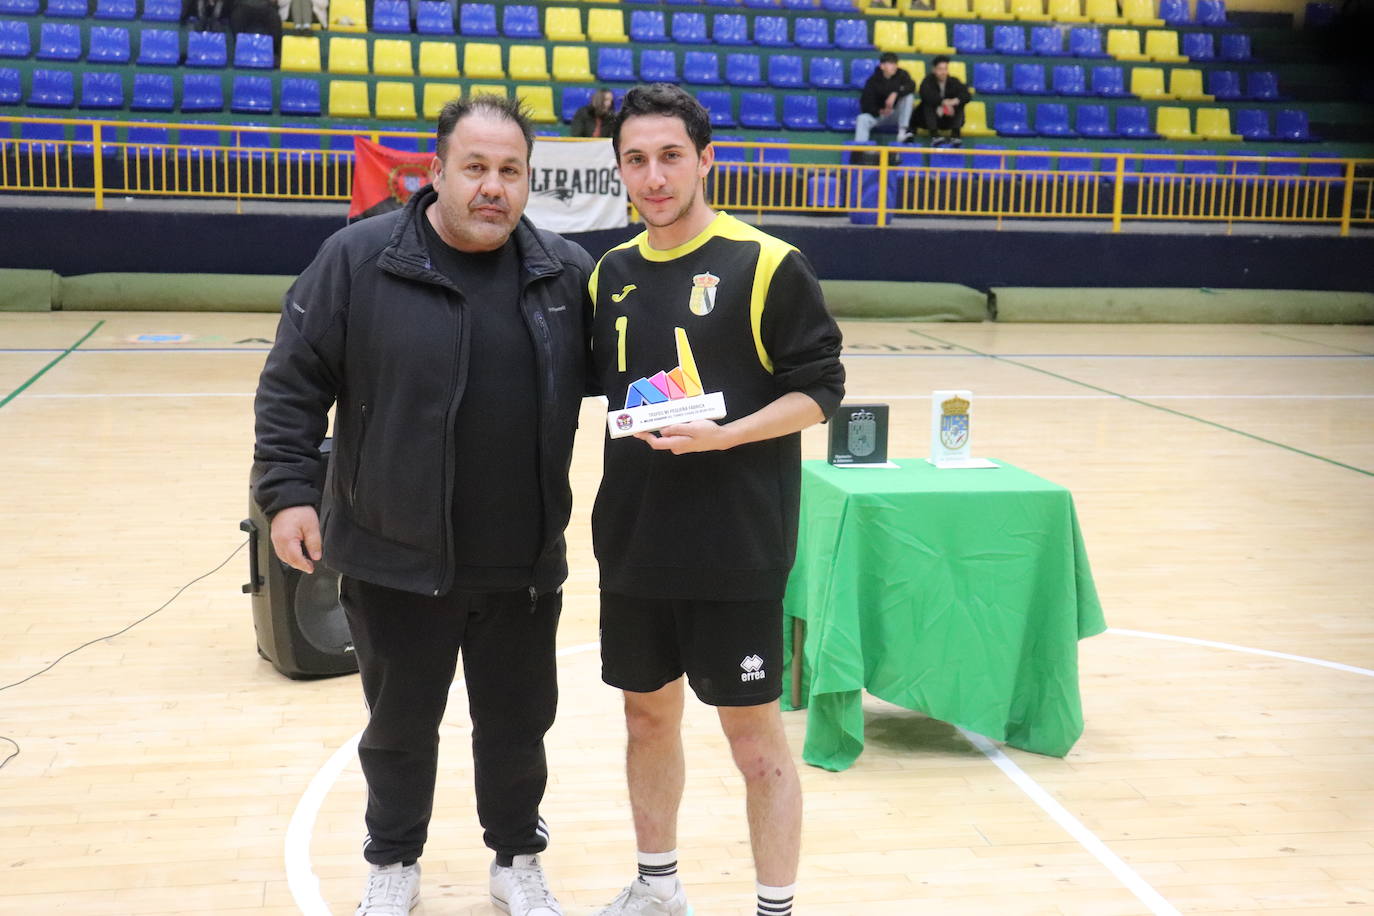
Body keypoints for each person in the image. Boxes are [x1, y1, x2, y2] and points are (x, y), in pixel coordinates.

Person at [252, 95, 595, 916]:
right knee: (399, 728)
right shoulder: (357, 259)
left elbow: (645, 369)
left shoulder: (565, 275)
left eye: (510, 171)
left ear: (527, 181)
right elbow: (293, 385)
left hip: (520, 562)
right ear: (436, 171)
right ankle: (393, 860)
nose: (492, 187)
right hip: (392, 552)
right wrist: (289, 495)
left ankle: (516, 857)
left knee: (517, 728)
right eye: (474, 167)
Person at [586, 83, 845, 916]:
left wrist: (727, 436)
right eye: (636, 159)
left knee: (755, 741)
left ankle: (776, 906)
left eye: (670, 157)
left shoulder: (766, 264)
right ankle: (658, 889)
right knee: (646, 722)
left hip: (736, 546)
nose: (653, 176)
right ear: (618, 168)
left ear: (706, 159)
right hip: (634, 542)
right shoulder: (610, 276)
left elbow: (821, 391)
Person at [854, 52, 916, 144]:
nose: (894, 66)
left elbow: (911, 86)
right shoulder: (872, 81)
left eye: (895, 63)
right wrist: (879, 111)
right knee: (862, 118)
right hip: (879, 116)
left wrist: (895, 93)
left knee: (909, 97)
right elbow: (865, 104)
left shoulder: (902, 74)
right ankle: (859, 150)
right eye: (891, 63)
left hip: (896, 114)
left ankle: (903, 132)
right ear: (882, 66)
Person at [913, 54, 971, 147]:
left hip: (948, 118)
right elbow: (926, 95)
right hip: (929, 120)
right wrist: (942, 103)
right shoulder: (927, 81)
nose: (943, 72)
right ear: (934, 70)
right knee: (927, 104)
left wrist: (954, 102)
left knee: (960, 103)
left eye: (945, 69)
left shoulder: (954, 81)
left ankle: (955, 135)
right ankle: (934, 136)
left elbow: (966, 95)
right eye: (940, 69)